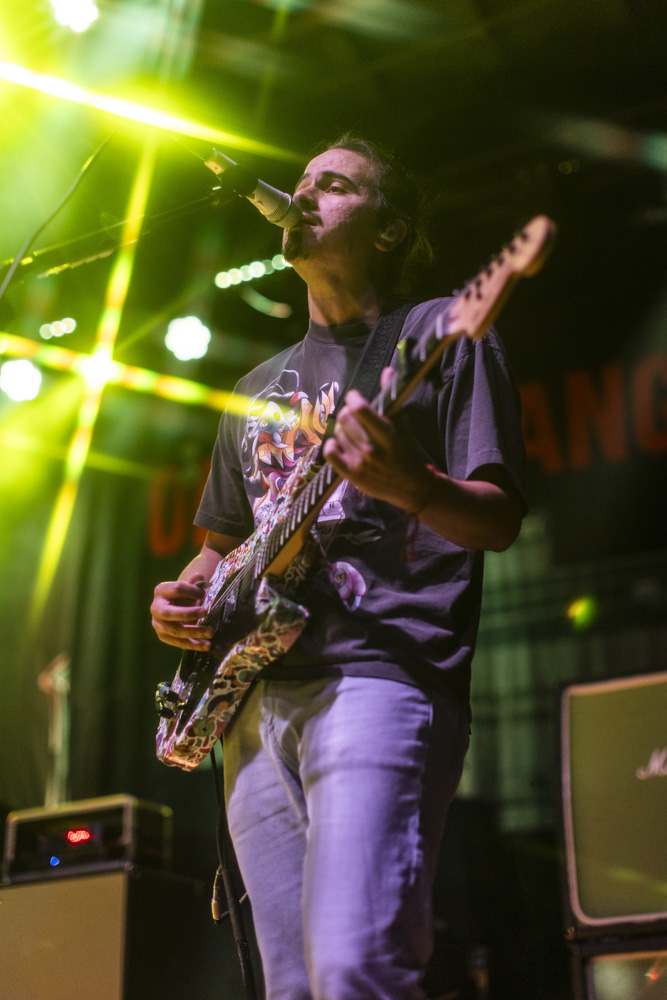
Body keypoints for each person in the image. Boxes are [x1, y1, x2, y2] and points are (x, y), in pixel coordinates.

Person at [151, 135, 526, 1000]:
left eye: (333, 184)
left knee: (356, 965)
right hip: (252, 704)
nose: (304, 194)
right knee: (290, 987)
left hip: (379, 675)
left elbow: (499, 518)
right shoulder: (254, 388)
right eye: (302, 181)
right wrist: (182, 595)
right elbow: (218, 548)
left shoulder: (439, 332)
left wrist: (414, 486)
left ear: (387, 231)